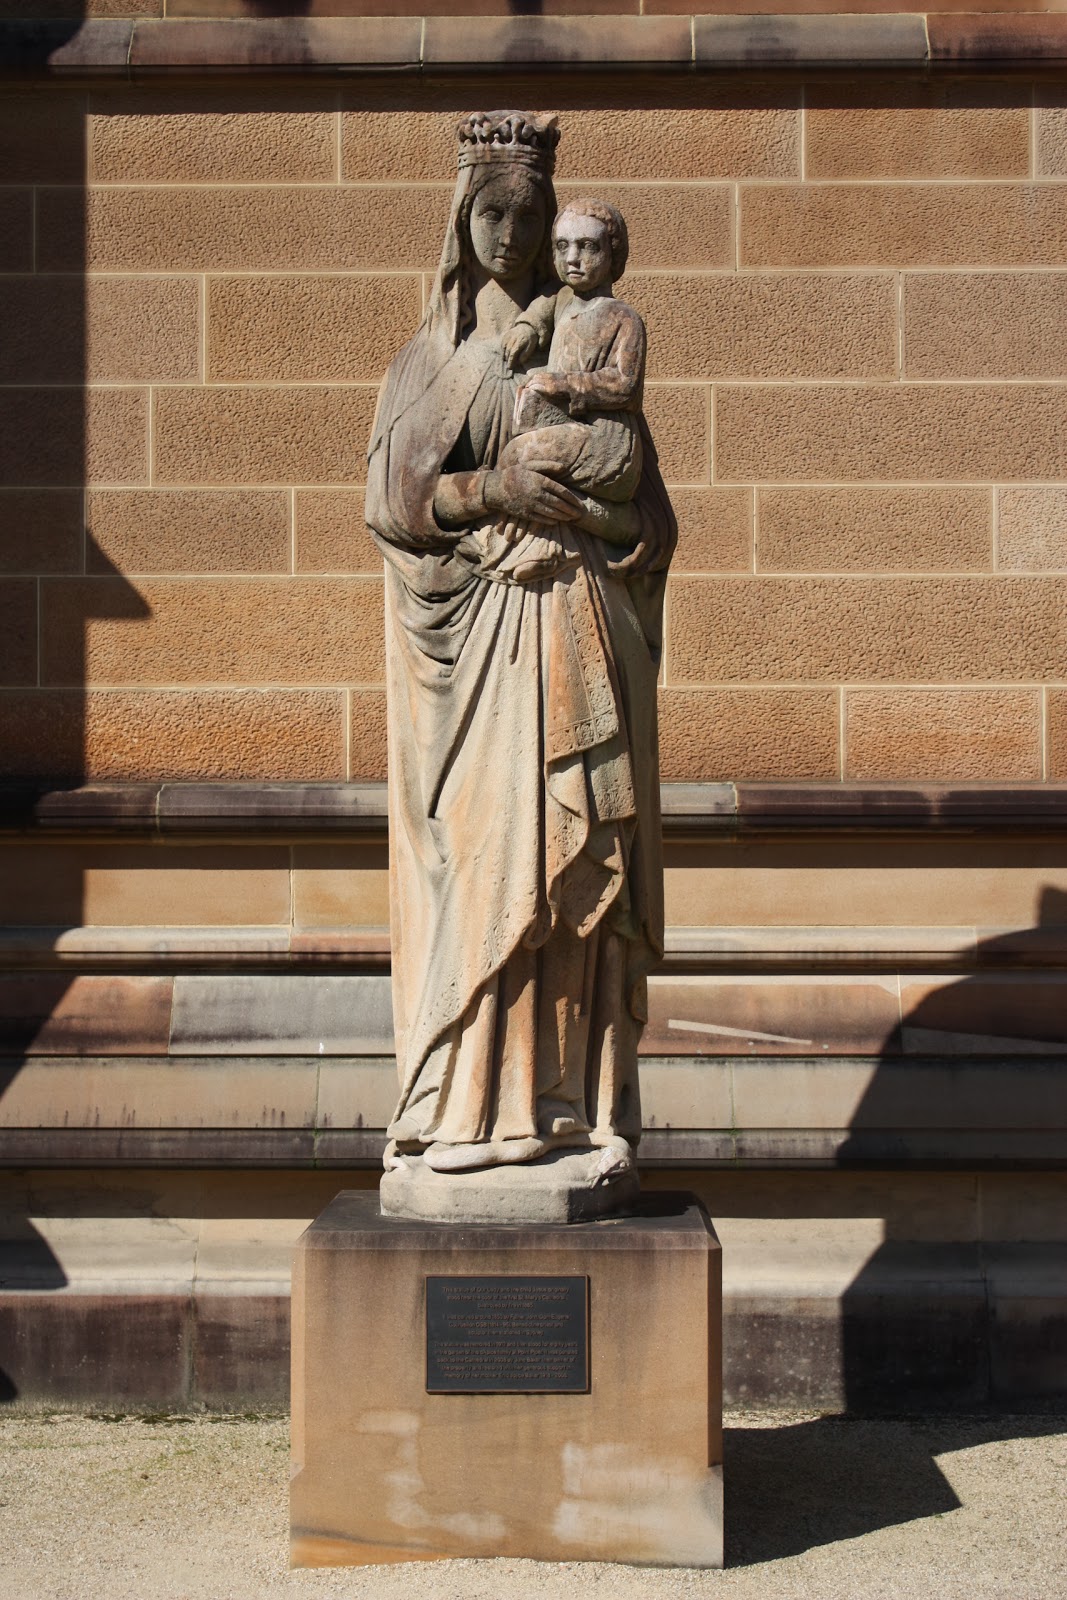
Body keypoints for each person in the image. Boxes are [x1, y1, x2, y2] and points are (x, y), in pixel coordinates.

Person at [365, 110, 676, 1177]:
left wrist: (589, 519)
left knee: (571, 851)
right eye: (490, 212)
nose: (509, 232)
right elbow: (397, 498)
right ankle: (464, 1106)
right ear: (463, 222)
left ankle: (559, 1107)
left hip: (574, 621)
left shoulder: (588, 337)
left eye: (528, 214)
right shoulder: (433, 355)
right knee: (495, 853)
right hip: (482, 646)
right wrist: (492, 485)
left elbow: (647, 517)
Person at [468, 196, 646, 584]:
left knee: (520, 454)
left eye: (587, 246)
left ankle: (542, 546)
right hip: (567, 426)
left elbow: (626, 386)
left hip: (608, 440)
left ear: (612, 254)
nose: (573, 258)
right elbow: (542, 309)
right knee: (519, 448)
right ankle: (531, 539)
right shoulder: (563, 299)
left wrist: (565, 384)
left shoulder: (622, 317)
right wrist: (526, 328)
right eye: (563, 246)